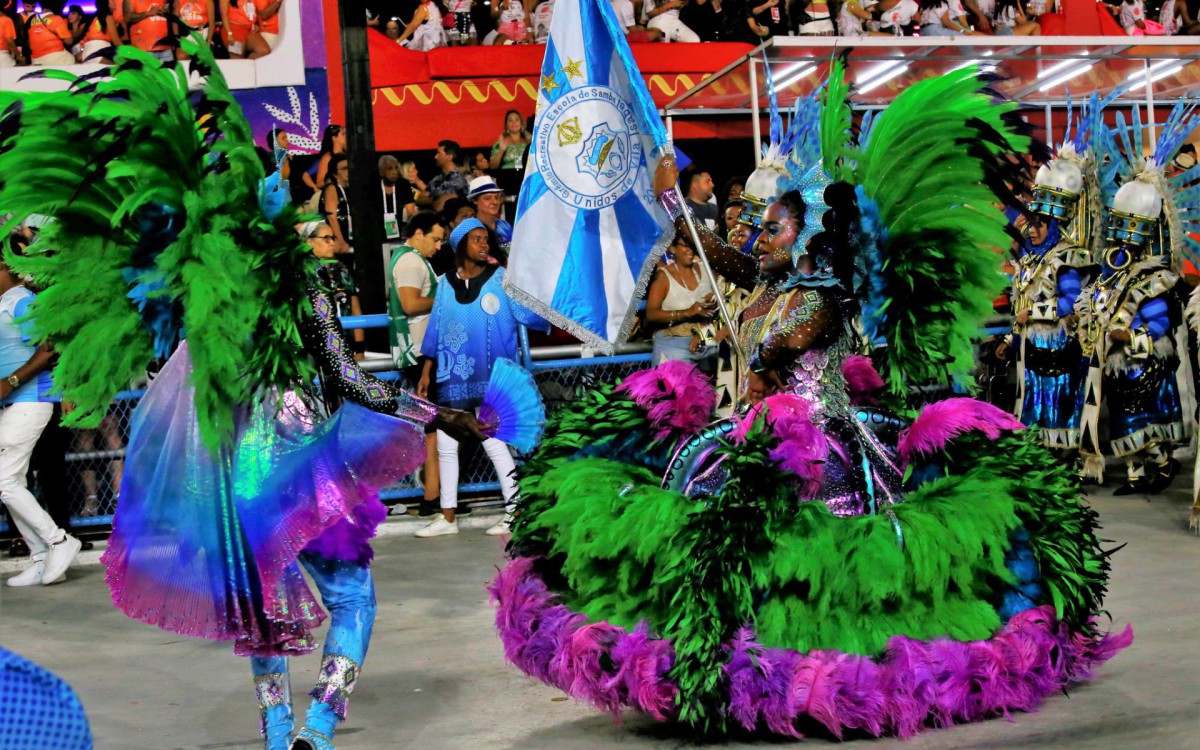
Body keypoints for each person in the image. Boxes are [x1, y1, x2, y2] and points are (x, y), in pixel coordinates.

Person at [493, 62, 1131, 740]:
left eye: (772, 227)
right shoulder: (773, 281)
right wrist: (672, 202)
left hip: (820, 439)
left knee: (806, 546)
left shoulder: (823, 298)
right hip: (762, 424)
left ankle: (808, 660)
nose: (760, 235)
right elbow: (723, 260)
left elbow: (785, 345)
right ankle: (725, 638)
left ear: (806, 235)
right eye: (762, 227)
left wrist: (756, 348)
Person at [0, 37, 492, 750]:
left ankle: (273, 730)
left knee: (263, 611)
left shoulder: (211, 303)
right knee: (352, 596)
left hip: (232, 478)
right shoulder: (309, 291)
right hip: (303, 469)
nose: (328, 237)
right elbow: (349, 380)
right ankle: (318, 726)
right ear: (288, 234)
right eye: (321, 229)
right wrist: (435, 412)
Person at [416, 218, 525, 539]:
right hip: (452, 376)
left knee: (494, 443)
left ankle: (514, 511)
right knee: (448, 446)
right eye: (476, 239)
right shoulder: (446, 283)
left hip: (491, 375)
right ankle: (447, 518)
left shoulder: (502, 279)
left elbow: (528, 313)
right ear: (461, 245)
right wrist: (426, 370)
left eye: (485, 239)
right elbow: (435, 328)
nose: (483, 244)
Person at [0, 253, 81, 588]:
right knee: (9, 482)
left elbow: (51, 347)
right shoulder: (6, 302)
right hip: (14, 404)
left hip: (30, 401)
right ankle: (39, 557)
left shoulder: (21, 301)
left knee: (5, 482)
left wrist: (12, 381)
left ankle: (59, 541)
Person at [389, 211, 447, 519]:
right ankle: (433, 496)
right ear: (419, 233)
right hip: (419, 356)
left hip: (418, 354)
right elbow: (410, 303)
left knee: (433, 428)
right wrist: (447, 300)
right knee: (433, 429)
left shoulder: (410, 259)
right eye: (435, 239)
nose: (438, 247)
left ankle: (434, 495)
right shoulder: (411, 262)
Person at [645, 234, 719, 368]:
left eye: (692, 245)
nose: (690, 250)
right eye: (685, 245)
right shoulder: (663, 277)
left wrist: (716, 299)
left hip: (707, 341)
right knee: (677, 388)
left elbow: (727, 300)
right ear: (672, 248)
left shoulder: (706, 269)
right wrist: (687, 313)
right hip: (673, 345)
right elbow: (651, 314)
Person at [490, 109, 530, 216]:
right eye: (510, 120)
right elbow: (493, 166)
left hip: (525, 179)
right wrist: (502, 150)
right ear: (506, 125)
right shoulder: (501, 142)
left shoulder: (530, 141)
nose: (514, 123)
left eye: (517, 120)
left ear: (521, 123)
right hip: (507, 181)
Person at [467, 175, 513, 260]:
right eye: (487, 198)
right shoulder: (469, 229)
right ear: (475, 201)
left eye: (496, 197)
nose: (495, 202)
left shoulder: (506, 226)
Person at [302, 125, 346, 212]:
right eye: (343, 134)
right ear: (334, 138)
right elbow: (319, 182)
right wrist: (315, 188)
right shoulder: (327, 158)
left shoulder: (348, 156)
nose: (346, 137)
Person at [419, 139, 469, 213]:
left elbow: (439, 206)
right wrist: (434, 199)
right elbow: (419, 200)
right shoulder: (436, 179)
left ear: (449, 157)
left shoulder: (458, 180)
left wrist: (430, 198)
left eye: (439, 153)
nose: (435, 157)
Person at [379, 154, 416, 241]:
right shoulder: (374, 186)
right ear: (381, 171)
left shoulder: (403, 184)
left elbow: (411, 211)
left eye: (396, 168)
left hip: (397, 233)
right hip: (377, 235)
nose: (394, 172)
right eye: (390, 169)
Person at [26, 1, 75, 66]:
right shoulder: (57, 19)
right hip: (54, 57)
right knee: (73, 59)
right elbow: (69, 41)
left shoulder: (32, 19)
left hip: (35, 59)